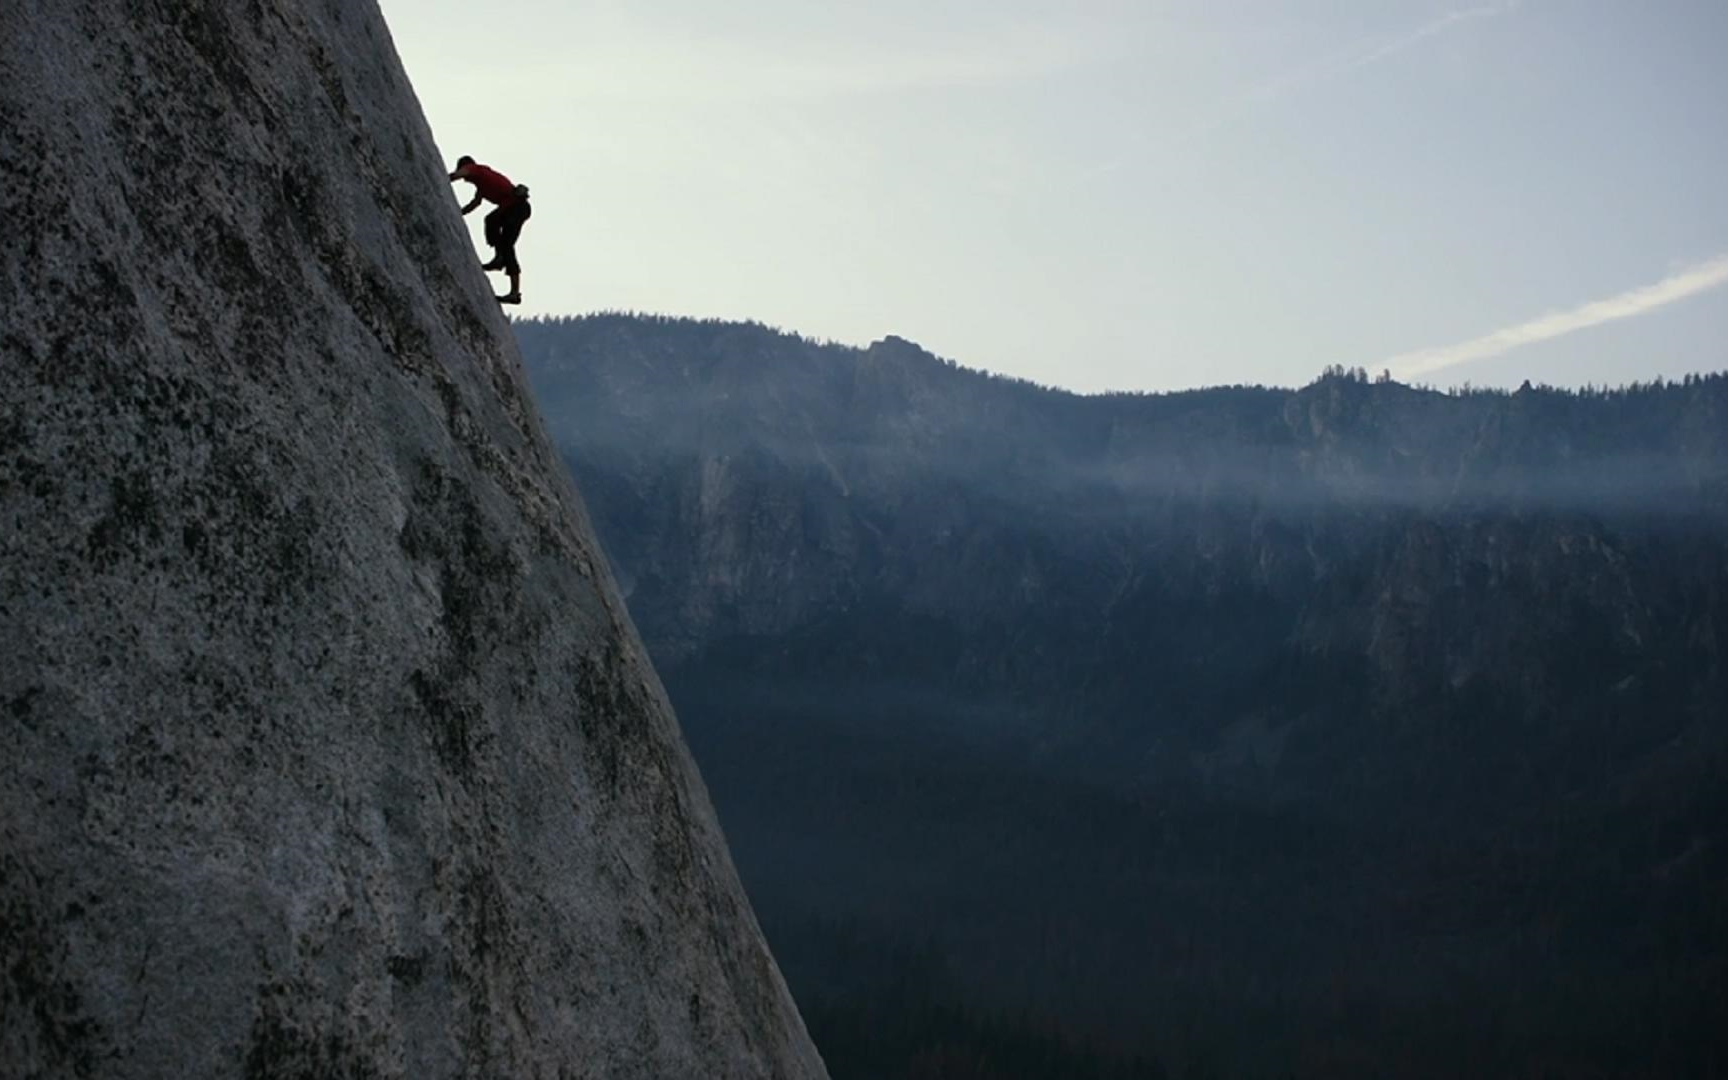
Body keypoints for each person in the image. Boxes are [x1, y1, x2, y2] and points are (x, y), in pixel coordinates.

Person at [448, 155, 532, 304]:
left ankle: (513, 291)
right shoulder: (482, 181)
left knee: (506, 245)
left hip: (516, 208)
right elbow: (475, 203)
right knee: (492, 222)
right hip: (512, 208)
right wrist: (459, 213)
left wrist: (447, 178)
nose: (465, 180)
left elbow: (461, 173)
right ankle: (500, 259)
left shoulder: (476, 170)